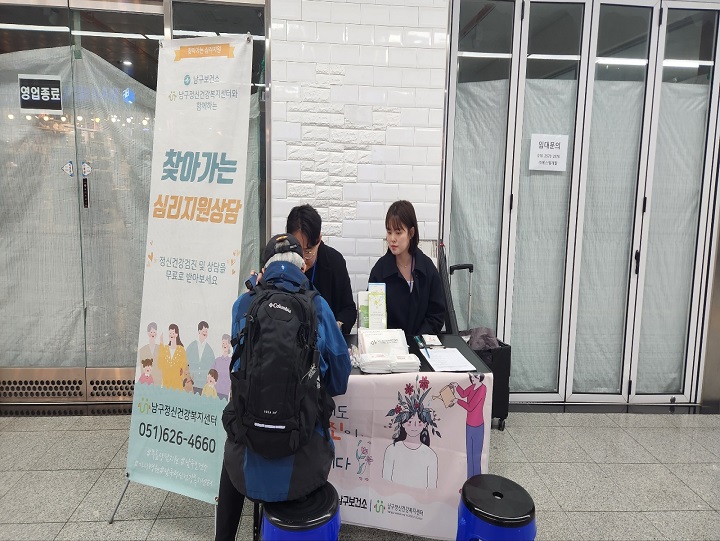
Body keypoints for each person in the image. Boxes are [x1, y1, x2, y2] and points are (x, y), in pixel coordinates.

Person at [215, 234, 352, 541]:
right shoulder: (318, 307)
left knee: (234, 434)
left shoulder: (244, 304)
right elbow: (339, 379)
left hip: (244, 470)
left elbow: (239, 367)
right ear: (302, 267)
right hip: (304, 470)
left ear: (264, 269)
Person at [368, 200, 446, 338]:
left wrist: (417, 339)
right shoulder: (379, 271)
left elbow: (436, 315)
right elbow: (373, 315)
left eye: (398, 233)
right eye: (389, 232)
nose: (392, 239)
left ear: (411, 233)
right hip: (390, 345)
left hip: (421, 344)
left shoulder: (427, 269)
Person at [286, 204, 357, 334]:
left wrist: (336, 327)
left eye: (308, 251)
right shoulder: (281, 264)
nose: (302, 258)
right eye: (297, 249)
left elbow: (349, 309)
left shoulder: (335, 261)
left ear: (319, 239)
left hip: (325, 339)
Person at [450, 373, 487, 478]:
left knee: (476, 457)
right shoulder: (472, 386)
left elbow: (470, 407)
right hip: (469, 424)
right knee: (469, 456)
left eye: (475, 377)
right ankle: (470, 481)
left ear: (480, 378)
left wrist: (457, 401)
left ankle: (477, 481)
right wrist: (457, 386)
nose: (473, 378)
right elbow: (463, 394)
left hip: (477, 425)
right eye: (472, 377)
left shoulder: (482, 389)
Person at [157, 324, 190, 391]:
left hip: (177, 384)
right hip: (166, 383)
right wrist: (161, 342)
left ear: (177, 334)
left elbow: (184, 366)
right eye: (170, 333)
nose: (171, 335)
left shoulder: (181, 349)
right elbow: (160, 363)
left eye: (173, 333)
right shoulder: (165, 349)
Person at [186, 321, 215, 389]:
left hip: (204, 384)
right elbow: (185, 363)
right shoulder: (191, 347)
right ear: (199, 331)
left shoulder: (209, 349)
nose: (205, 333)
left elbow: (212, 366)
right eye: (203, 331)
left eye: (206, 331)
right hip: (192, 383)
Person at [211, 334, 232, 400]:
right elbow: (211, 375)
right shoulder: (217, 361)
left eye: (226, 343)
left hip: (226, 394)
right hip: (215, 393)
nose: (224, 345)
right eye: (223, 343)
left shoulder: (231, 361)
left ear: (230, 345)